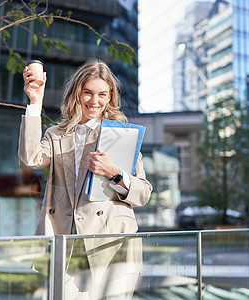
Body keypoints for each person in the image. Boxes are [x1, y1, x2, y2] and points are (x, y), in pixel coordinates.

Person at [19, 59, 152, 299]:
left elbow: (143, 193)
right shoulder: (57, 134)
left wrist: (115, 173)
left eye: (102, 94)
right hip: (66, 244)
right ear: (76, 93)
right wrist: (35, 102)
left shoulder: (120, 134)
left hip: (112, 244)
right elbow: (30, 159)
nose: (94, 101)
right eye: (87, 92)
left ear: (110, 96)